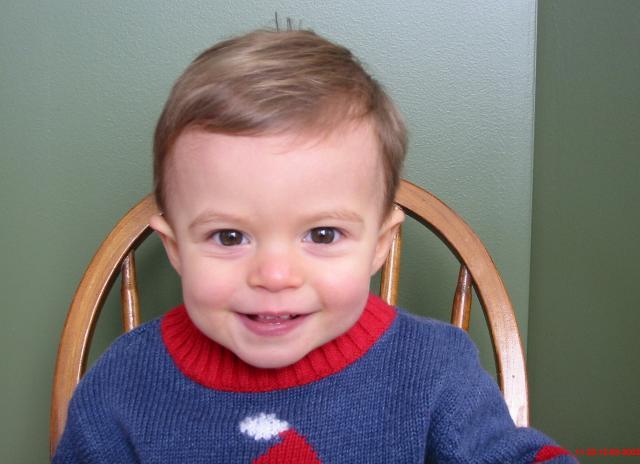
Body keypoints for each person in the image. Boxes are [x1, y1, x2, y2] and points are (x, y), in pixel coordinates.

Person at [53, 29, 577, 463]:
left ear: (380, 245)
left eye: (323, 235)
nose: (275, 275)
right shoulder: (124, 383)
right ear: (175, 249)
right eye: (229, 236)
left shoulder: (434, 369)